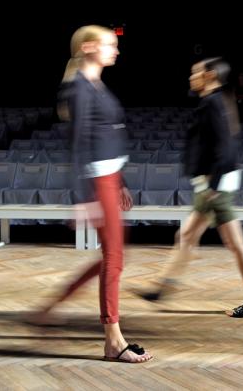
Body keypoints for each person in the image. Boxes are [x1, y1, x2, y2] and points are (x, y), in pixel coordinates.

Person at [30, 25, 152, 363]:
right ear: (87, 47)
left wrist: (120, 181)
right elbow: (78, 143)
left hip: (110, 178)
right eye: (110, 44)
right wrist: (83, 197)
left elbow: (108, 136)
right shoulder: (79, 88)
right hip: (97, 182)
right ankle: (113, 340)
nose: (117, 50)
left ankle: (52, 306)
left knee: (112, 258)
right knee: (114, 259)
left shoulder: (95, 83)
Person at [139, 58, 243, 318]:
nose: (190, 77)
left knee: (233, 242)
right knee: (186, 235)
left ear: (209, 75)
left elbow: (225, 149)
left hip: (215, 186)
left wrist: (214, 187)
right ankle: (161, 288)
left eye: (195, 73)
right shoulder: (213, 101)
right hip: (212, 184)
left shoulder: (213, 103)